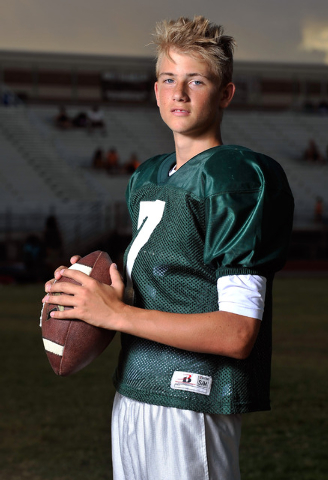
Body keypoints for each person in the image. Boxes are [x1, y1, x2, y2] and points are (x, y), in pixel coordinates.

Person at [43, 16, 294, 480]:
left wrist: (115, 316)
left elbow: (237, 333)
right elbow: (169, 292)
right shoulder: (148, 177)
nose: (179, 93)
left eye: (196, 80)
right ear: (155, 90)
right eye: (168, 79)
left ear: (225, 94)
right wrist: (95, 294)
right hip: (134, 391)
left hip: (190, 400)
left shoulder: (233, 177)